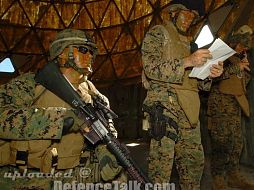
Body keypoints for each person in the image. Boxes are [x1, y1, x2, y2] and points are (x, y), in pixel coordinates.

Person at [0, 29, 126, 189]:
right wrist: (62, 120)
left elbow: (107, 135)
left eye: (92, 52)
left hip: (78, 177)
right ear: (61, 52)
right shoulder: (31, 84)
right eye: (83, 50)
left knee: (120, 179)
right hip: (29, 178)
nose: (90, 56)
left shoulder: (97, 97)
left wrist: (107, 154)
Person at [141, 0, 224, 189]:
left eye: (193, 17)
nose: (190, 20)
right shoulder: (158, 33)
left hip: (189, 110)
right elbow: (151, 68)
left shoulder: (190, 43)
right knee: (161, 167)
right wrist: (187, 61)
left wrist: (210, 74)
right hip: (165, 106)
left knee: (193, 164)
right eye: (186, 14)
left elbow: (198, 83)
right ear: (173, 13)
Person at [207, 25, 254, 190]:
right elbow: (211, 77)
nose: (248, 42)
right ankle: (218, 179)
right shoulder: (222, 53)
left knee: (237, 143)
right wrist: (238, 67)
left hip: (235, 105)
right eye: (245, 38)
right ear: (238, 38)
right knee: (222, 143)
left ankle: (233, 176)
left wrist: (244, 69)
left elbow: (242, 81)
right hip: (220, 105)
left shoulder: (239, 56)